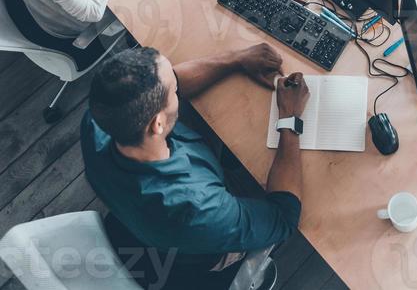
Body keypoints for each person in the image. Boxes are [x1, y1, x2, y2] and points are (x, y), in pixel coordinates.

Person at [81, 44, 308, 289]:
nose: (178, 85)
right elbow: (283, 218)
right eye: (174, 90)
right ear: (157, 124)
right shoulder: (198, 207)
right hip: (195, 254)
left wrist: (237, 57)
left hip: (136, 221)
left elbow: (170, 82)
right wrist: (290, 117)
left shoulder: (98, 122)